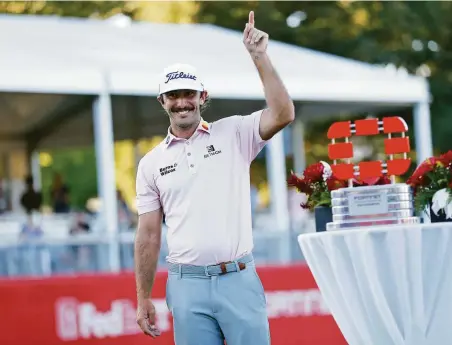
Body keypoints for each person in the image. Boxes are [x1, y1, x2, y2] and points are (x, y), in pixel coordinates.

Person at [134, 11, 294, 345]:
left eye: (189, 94)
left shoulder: (235, 131)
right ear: (162, 101)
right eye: (174, 95)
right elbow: (148, 235)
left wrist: (259, 56)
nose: (182, 103)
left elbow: (283, 113)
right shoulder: (150, 163)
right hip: (186, 284)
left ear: (202, 97)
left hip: (238, 278)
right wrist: (142, 295)